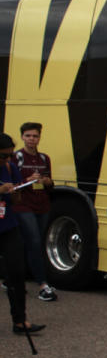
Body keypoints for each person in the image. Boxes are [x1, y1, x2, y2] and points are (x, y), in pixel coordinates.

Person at [0, 133, 45, 336]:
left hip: (8, 225)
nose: (7, 160)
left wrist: (15, 191)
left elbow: (17, 200)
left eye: (9, 155)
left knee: (17, 273)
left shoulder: (10, 168)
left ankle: (20, 320)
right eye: (3, 156)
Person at [14, 122, 56, 302]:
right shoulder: (16, 158)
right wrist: (27, 179)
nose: (32, 139)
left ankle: (12, 279)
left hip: (42, 204)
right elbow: (11, 185)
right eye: (28, 136)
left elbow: (50, 183)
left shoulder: (44, 158)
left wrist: (46, 181)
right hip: (23, 205)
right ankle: (42, 284)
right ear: (23, 137)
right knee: (34, 241)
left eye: (35, 136)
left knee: (31, 243)